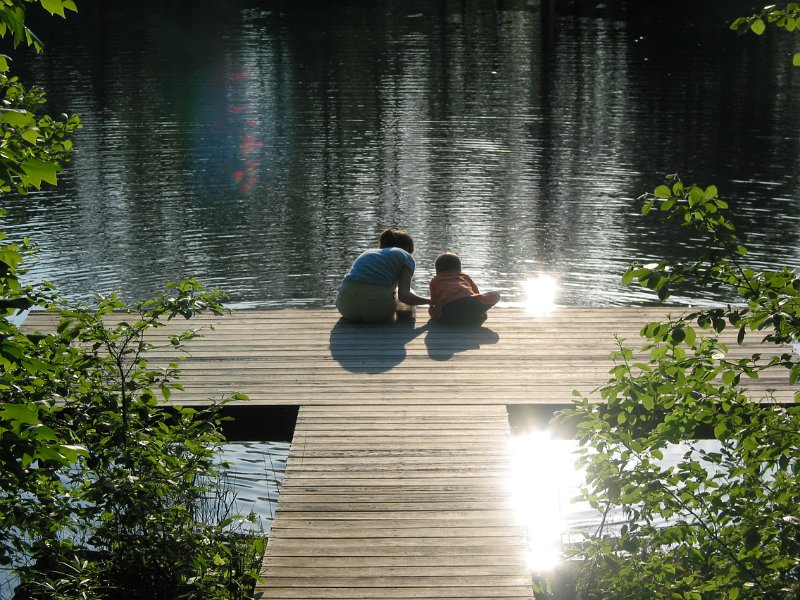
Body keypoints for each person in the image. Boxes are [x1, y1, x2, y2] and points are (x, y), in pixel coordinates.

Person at [336, 228, 432, 323]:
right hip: (378, 312)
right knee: (405, 291)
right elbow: (404, 296)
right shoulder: (406, 256)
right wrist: (431, 302)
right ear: (407, 248)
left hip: (346, 308)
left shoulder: (368, 252)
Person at [428, 252, 500, 325]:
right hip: (471, 304)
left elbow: (434, 301)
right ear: (459, 268)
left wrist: (434, 313)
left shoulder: (434, 281)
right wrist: (482, 308)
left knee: (434, 308)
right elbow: (476, 292)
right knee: (495, 294)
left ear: (437, 270)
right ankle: (479, 314)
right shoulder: (464, 276)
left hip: (449, 311)